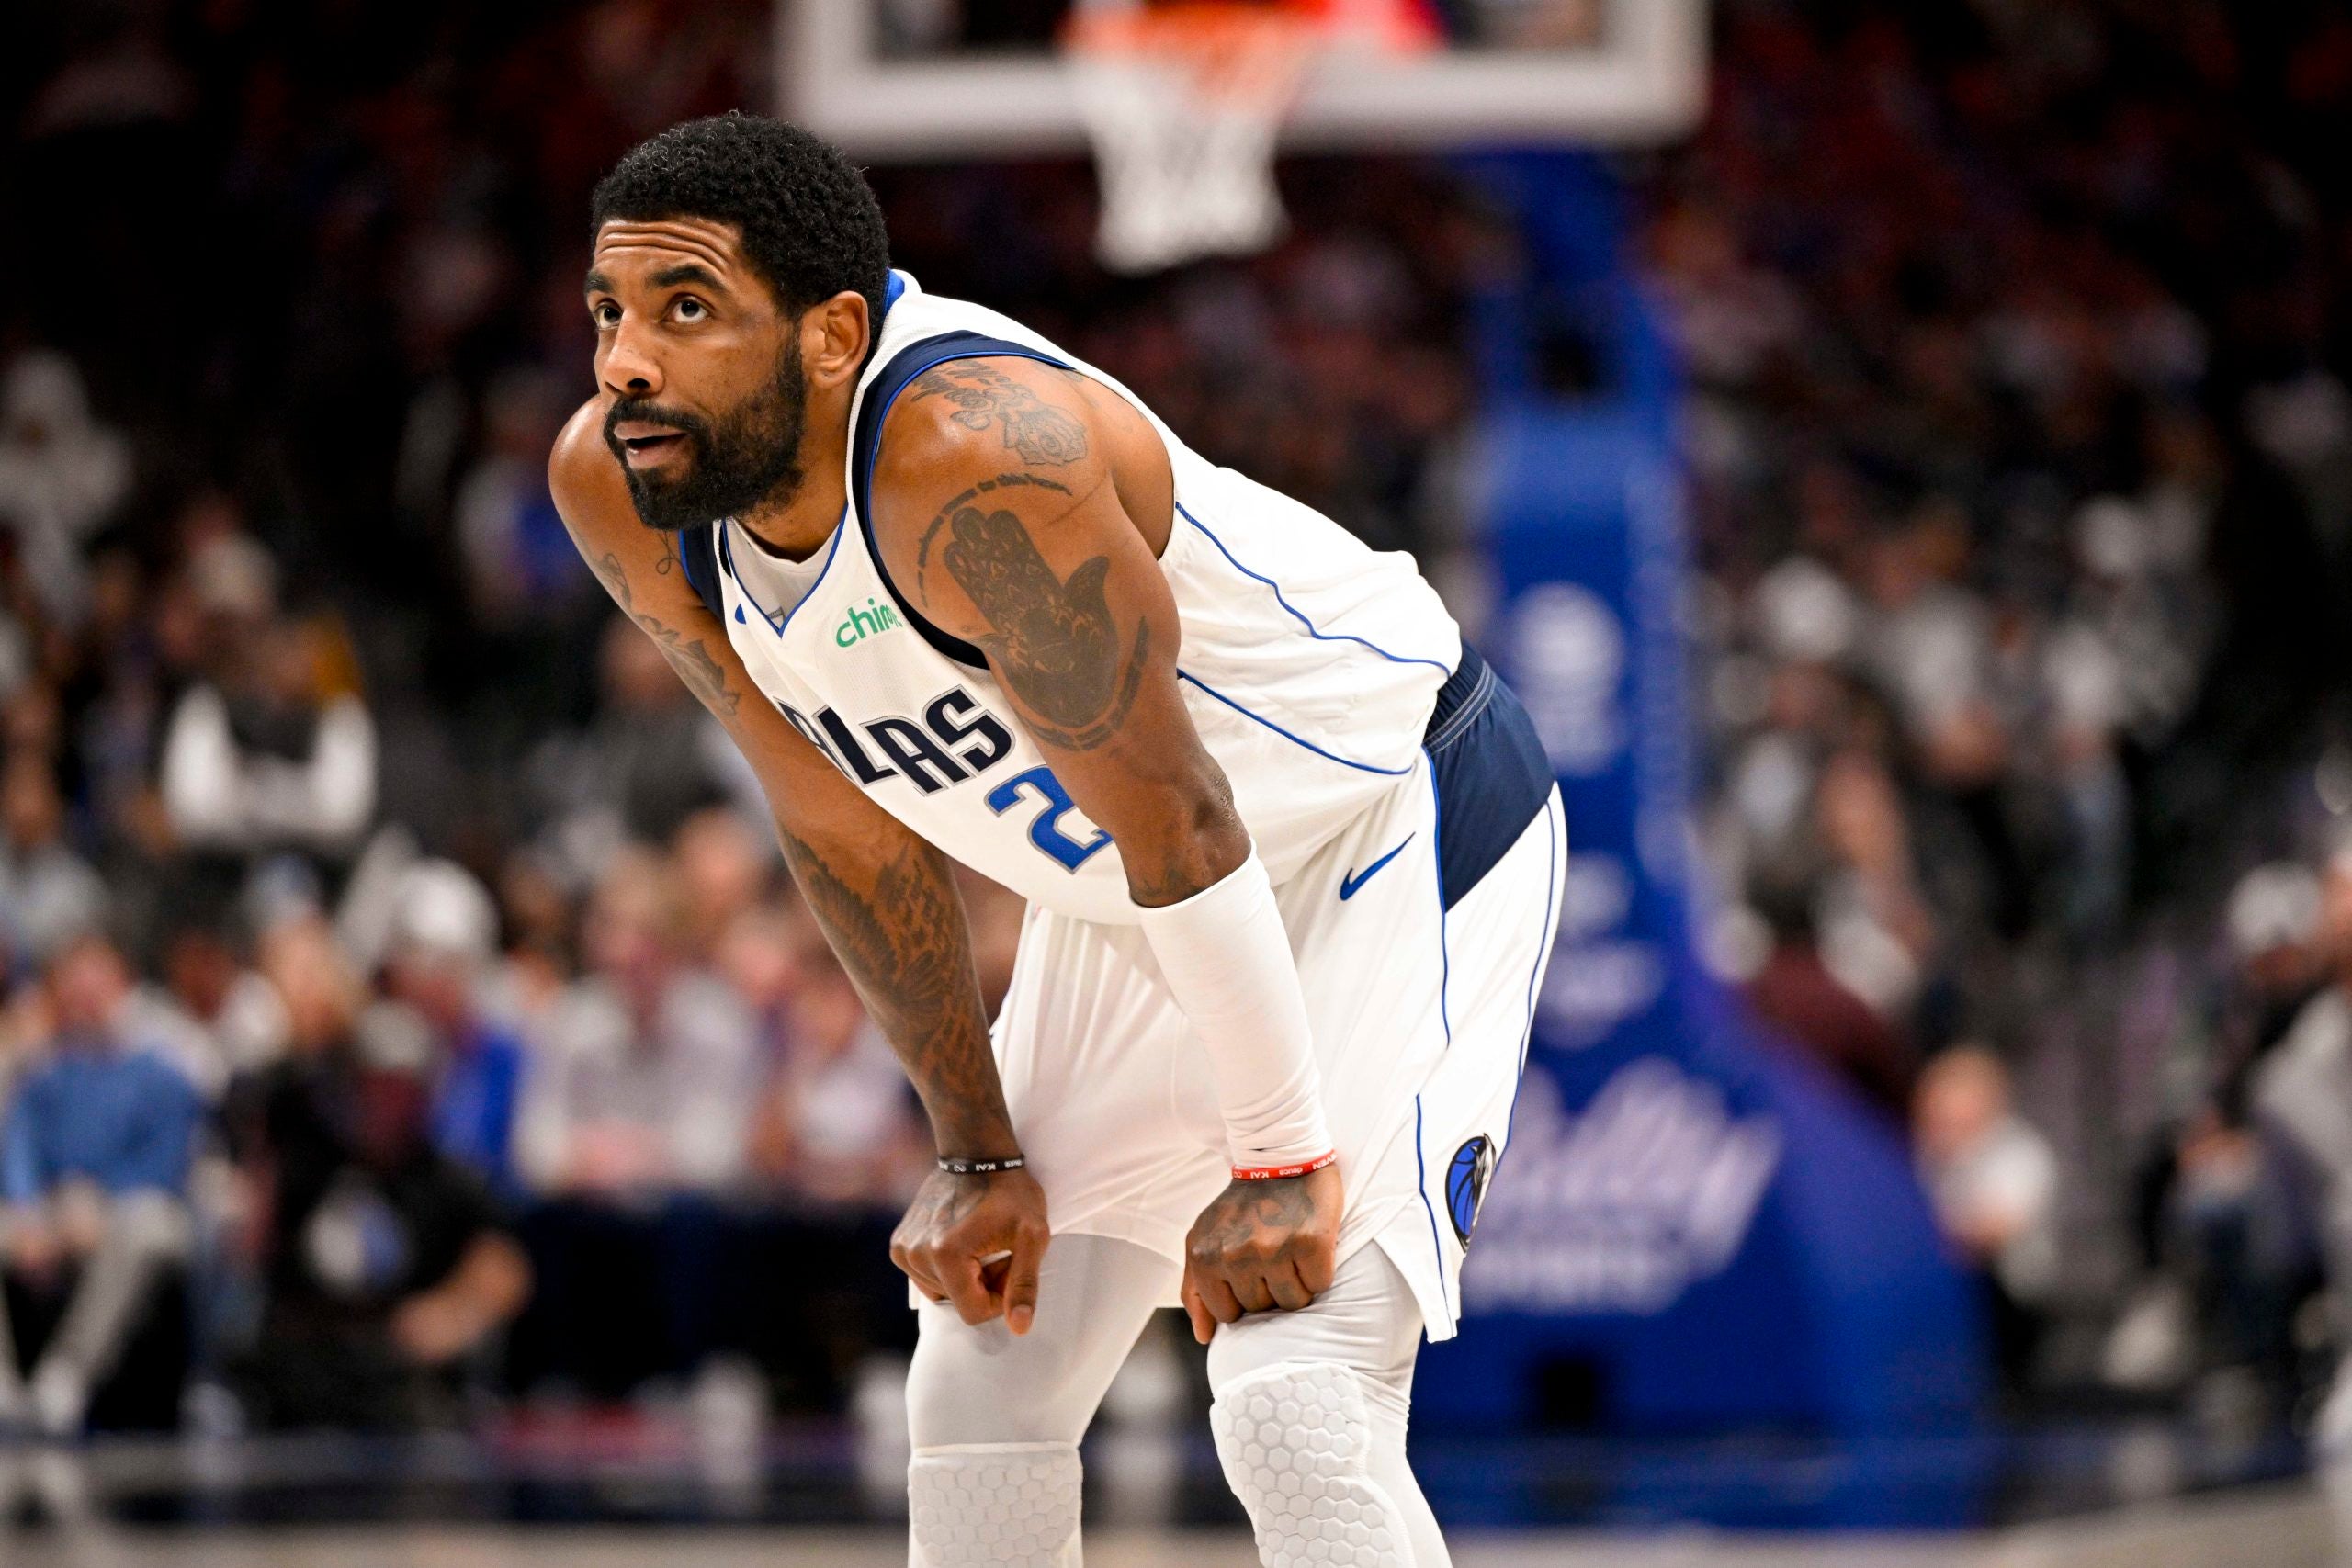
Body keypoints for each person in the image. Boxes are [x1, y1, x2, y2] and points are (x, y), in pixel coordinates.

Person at [553, 117, 1564, 1566]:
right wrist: (974, 1148)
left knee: (1295, 1396)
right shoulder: (624, 485)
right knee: (980, 1367)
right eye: (610, 312)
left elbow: (1183, 809)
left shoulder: (969, 453)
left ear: (833, 334)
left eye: (686, 310)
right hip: (1138, 887)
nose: (624, 360)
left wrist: (1280, 1158)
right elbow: (840, 820)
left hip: (1383, 819)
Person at [0, 936, 204, 1436]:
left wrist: (100, 1204)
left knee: (147, 1227)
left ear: (122, 983)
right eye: (74, 982)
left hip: (128, 1208)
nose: (84, 994)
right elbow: (18, 1144)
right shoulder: (47, 1070)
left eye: (96, 980)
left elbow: (167, 1163)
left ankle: (67, 1377)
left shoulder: (162, 1069)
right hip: (53, 1211)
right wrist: (28, 1212)